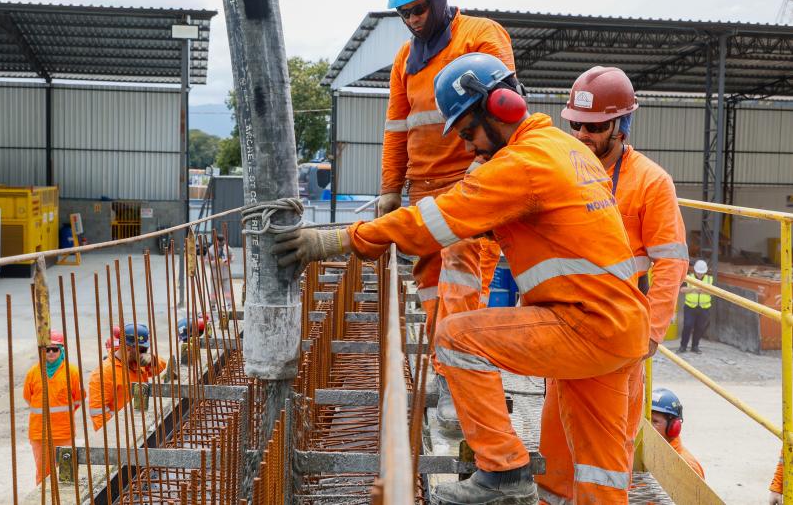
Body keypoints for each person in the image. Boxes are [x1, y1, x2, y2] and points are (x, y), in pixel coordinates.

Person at [273, 53, 650, 504]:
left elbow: (432, 221)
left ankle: (504, 472)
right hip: (623, 330)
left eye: (470, 132)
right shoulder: (564, 151)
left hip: (586, 326)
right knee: (602, 474)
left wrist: (334, 241)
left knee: (455, 338)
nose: (470, 148)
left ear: (503, 107)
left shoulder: (523, 164)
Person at [537, 66, 689, 500]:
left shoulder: (650, 182)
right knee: (555, 447)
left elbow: (671, 264)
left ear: (622, 126)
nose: (583, 134)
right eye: (577, 124)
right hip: (566, 328)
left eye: (596, 126)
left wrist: (652, 336)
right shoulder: (560, 171)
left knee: (607, 458)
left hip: (621, 338)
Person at [380, 0, 516, 429]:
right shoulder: (404, 60)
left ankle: (457, 384)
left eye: (419, 8)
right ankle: (447, 370)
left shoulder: (480, 36)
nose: (413, 20)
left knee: (462, 280)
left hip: (472, 183)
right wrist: (389, 191)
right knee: (433, 289)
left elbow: (505, 109)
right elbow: (397, 128)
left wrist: (490, 175)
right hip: (425, 192)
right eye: (404, 14)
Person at [22, 330, 82, 485]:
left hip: (64, 433)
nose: (50, 352)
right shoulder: (33, 373)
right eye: (46, 349)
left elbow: (78, 398)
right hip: (39, 434)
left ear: (61, 350)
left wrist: (62, 416)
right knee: (44, 476)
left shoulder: (72, 372)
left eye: (54, 349)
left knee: (66, 475)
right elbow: (28, 398)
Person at [88, 323, 167, 431]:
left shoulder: (139, 363)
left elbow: (162, 367)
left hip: (141, 424)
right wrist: (117, 433)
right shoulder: (104, 373)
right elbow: (98, 413)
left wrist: (152, 359)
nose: (144, 353)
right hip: (121, 431)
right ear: (128, 347)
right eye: (142, 350)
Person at [649, 388, 704, 479]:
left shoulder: (688, 466)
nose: (648, 426)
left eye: (655, 421)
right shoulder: (645, 452)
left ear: (673, 426)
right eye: (646, 420)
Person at [679, 259, 713, 353]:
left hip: (704, 308)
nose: (700, 274)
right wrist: (694, 289)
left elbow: (714, 292)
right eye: (698, 272)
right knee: (687, 326)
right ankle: (683, 346)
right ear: (695, 270)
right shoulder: (689, 277)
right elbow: (682, 289)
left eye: (702, 273)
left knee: (700, 327)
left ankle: (695, 346)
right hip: (690, 307)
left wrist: (704, 290)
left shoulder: (709, 279)